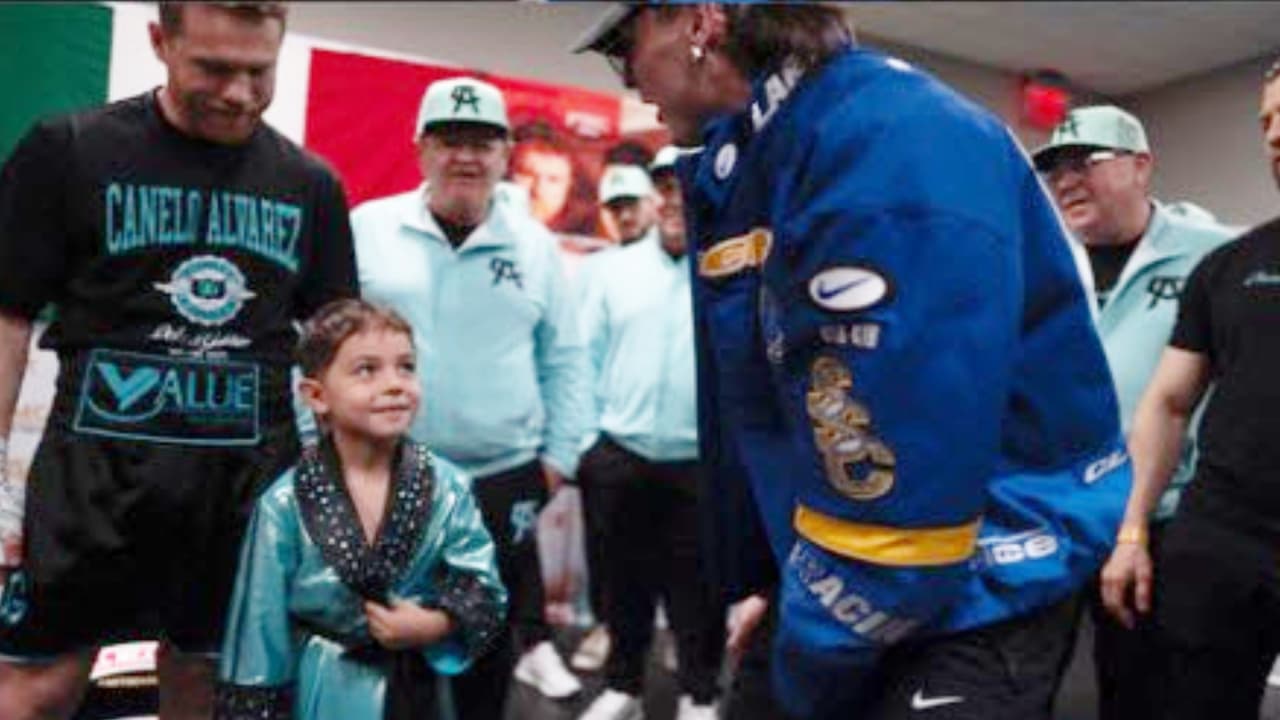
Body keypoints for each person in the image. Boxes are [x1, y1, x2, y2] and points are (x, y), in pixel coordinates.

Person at [575, 5, 1131, 719]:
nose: (625, 74)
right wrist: (783, 580)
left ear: (701, 19)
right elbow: (781, 396)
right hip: (849, 565)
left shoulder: (882, 147)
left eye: (625, 46)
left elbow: (903, 505)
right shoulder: (764, 151)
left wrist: (810, 637)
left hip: (972, 580)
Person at [0, 3, 358, 718]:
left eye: (259, 71)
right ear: (160, 41)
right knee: (38, 685)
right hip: (94, 471)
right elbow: (8, 319)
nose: (238, 93)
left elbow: (334, 346)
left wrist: (347, 493)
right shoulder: (69, 150)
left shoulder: (310, 184)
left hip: (242, 481)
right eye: (214, 68)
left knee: (208, 684)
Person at [350, 75, 589, 718]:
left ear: (505, 154)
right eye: (450, 140)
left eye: (483, 142)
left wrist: (557, 462)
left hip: (502, 479)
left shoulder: (536, 247)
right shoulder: (368, 229)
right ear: (420, 149)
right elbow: (319, 348)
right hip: (388, 473)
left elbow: (566, 359)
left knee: (485, 639)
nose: (466, 156)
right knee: (387, 640)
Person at [1031, 105, 1236, 720]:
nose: (1065, 180)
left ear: (1141, 166)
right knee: (1028, 683)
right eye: (1054, 169)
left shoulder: (1215, 255)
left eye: (1084, 163)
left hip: (1165, 516)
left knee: (1140, 687)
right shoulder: (1042, 262)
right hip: (1055, 513)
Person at [213, 299, 505, 720]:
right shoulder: (284, 503)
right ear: (316, 395)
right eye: (367, 369)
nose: (394, 384)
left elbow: (483, 587)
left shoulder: (450, 488)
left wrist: (433, 625)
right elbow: (258, 630)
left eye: (406, 367)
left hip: (419, 690)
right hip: (323, 690)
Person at [1100, 58, 1280, 720]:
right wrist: (1132, 533)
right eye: (1265, 120)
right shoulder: (1230, 264)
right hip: (1220, 539)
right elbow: (1168, 404)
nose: (1274, 135)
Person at [574, 146, 724, 720]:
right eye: (666, 187)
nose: (676, 199)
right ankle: (624, 687)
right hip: (620, 453)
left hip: (698, 461)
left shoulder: (729, 271)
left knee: (699, 590)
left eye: (688, 185)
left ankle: (700, 693)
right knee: (621, 582)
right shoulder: (611, 269)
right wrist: (589, 446)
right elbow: (581, 358)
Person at [510, 121, 599, 238]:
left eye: (553, 180)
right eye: (528, 175)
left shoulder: (587, 246)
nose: (538, 190)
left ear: (570, 187)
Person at [597, 164, 659, 246]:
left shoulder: (674, 251)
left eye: (631, 204)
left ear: (652, 203)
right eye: (615, 208)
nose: (625, 217)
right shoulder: (599, 256)